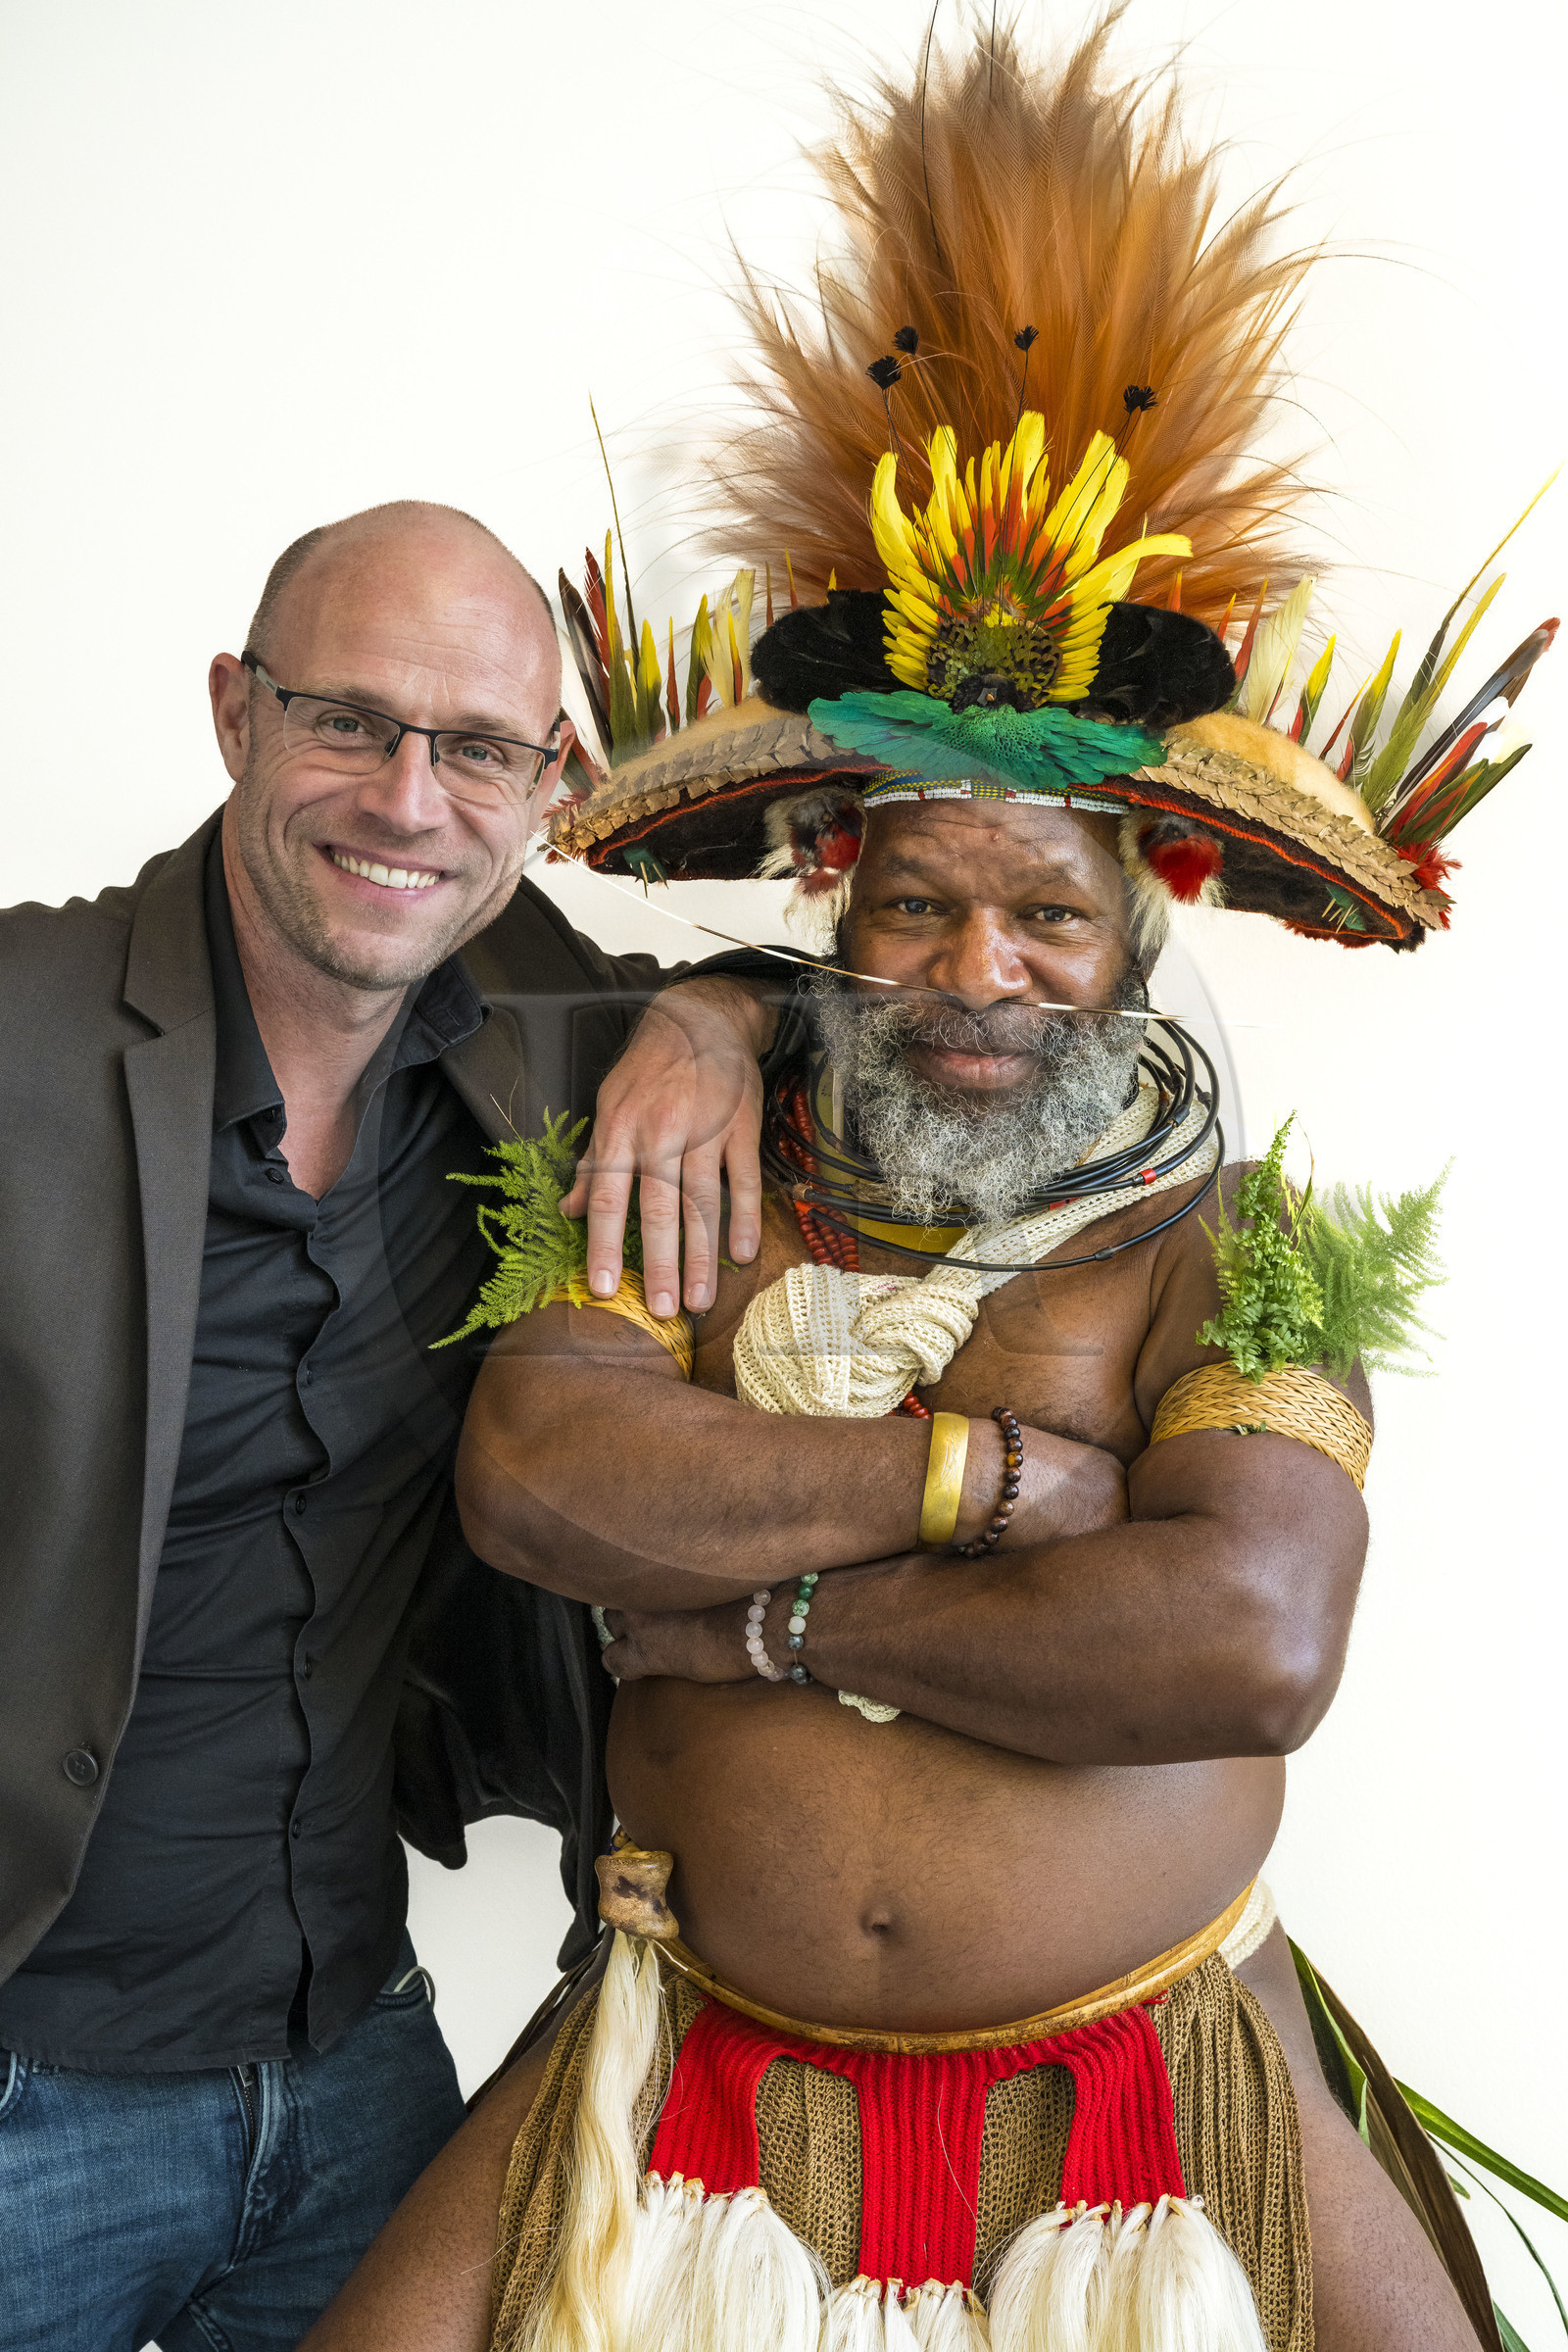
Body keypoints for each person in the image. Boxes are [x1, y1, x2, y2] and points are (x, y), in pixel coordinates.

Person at [294, 24, 1557, 2352]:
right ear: (833, 924)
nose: (977, 972)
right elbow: (546, 1479)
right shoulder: (679, 1153)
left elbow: (1242, 1642)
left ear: (1132, 942)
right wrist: (989, 1486)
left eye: (1045, 916)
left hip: (1148, 2082)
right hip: (679, 2061)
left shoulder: (1241, 1244)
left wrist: (772, 1625)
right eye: (912, 910)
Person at [0, 497, 782, 2352]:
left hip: (358, 2071)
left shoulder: (542, 1034)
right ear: (234, 714)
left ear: (549, 781)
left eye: (478, 748)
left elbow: (901, 998)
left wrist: (719, 1019)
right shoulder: (18, 1031)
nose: (409, 800)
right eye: (347, 720)